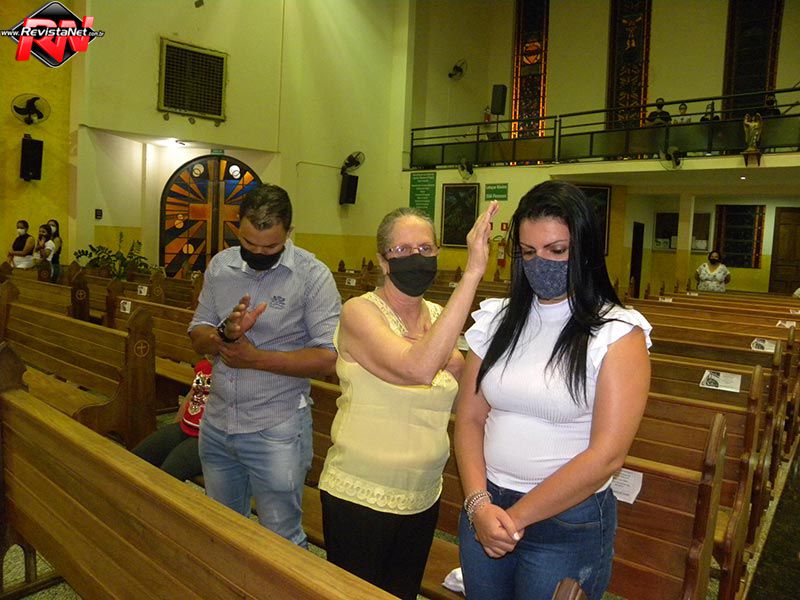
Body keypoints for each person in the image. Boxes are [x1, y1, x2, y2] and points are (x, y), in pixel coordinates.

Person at [454, 181, 652, 600]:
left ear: (585, 250)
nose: (540, 263)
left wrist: (514, 519)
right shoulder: (497, 320)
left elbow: (607, 456)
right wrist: (478, 505)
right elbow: (469, 418)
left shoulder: (617, 333)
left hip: (567, 521)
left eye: (557, 250)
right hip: (487, 505)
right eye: (528, 252)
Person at [318, 202, 498, 599]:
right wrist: (472, 273)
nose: (416, 257)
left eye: (425, 249)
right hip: (361, 493)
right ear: (384, 261)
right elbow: (417, 369)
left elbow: (466, 396)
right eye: (402, 250)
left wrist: (456, 361)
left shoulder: (439, 316)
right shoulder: (359, 313)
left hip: (422, 493)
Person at [188, 183, 340, 548]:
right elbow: (197, 332)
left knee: (281, 539)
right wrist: (224, 335)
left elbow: (328, 357)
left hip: (277, 426)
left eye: (270, 247)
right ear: (238, 226)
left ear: (289, 232)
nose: (257, 253)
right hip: (218, 421)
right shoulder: (221, 266)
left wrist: (255, 358)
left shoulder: (313, 276)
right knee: (222, 531)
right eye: (248, 243)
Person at [132, 359, 211, 481]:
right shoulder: (206, 366)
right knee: (136, 459)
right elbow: (191, 396)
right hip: (187, 427)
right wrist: (173, 430)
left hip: (212, 440)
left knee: (167, 474)